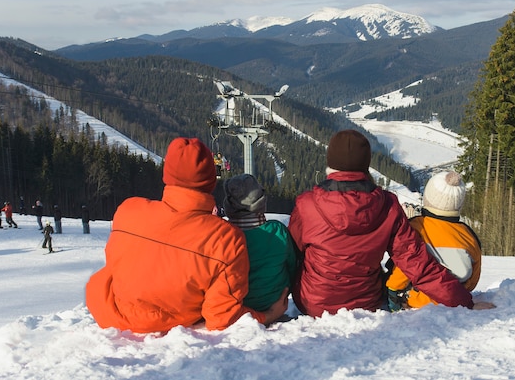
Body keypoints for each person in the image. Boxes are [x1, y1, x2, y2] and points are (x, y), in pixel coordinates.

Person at [85, 137, 288, 333]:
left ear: (167, 175)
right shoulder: (225, 239)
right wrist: (269, 315)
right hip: (172, 321)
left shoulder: (128, 211)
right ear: (210, 181)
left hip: (110, 311)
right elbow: (221, 317)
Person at [288, 129, 493, 318]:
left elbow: (290, 256)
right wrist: (463, 301)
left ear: (330, 164)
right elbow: (416, 263)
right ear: (366, 165)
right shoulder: (387, 205)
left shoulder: (307, 205)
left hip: (311, 303)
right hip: (367, 302)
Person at [386, 170, 483, 310]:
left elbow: (406, 264)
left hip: (416, 300)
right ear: (459, 204)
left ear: (428, 198)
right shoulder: (469, 236)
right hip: (455, 301)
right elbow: (473, 279)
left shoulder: (417, 227)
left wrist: (392, 287)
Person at [223, 173, 298, 312]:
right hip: (275, 302)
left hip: (237, 304)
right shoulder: (277, 231)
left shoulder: (224, 236)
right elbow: (293, 267)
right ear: (261, 203)